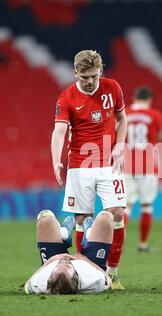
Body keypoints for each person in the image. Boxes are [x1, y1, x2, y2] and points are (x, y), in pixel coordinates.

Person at [51, 50, 127, 290]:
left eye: (94, 75)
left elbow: (122, 119)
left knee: (117, 212)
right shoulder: (66, 98)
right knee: (82, 219)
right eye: (85, 77)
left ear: (101, 71)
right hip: (79, 165)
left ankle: (112, 273)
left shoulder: (113, 87)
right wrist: (56, 160)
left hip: (109, 163)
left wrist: (120, 145)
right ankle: (84, 272)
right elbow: (60, 132)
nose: (90, 81)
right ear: (75, 73)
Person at [24, 210, 113, 294]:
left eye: (59, 266)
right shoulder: (92, 280)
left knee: (45, 217)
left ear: (50, 277)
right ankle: (88, 234)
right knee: (106, 217)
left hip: (54, 259)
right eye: (67, 265)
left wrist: (51, 261)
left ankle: (64, 233)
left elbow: (27, 285)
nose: (65, 261)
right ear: (76, 276)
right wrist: (84, 259)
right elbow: (108, 280)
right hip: (91, 264)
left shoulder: (41, 284)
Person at [124, 86, 162, 251]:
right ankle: (143, 244)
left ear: (134, 97)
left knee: (125, 207)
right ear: (149, 99)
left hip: (125, 164)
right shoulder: (155, 115)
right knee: (146, 205)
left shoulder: (124, 113)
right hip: (147, 165)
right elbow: (159, 137)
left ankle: (118, 242)